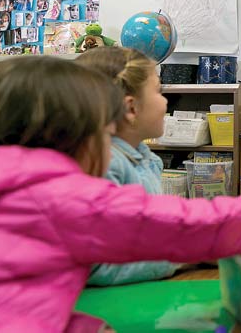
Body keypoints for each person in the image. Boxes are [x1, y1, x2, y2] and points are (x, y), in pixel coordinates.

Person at [0, 56, 241, 332]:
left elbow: (15, 295)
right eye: (104, 127)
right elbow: (185, 224)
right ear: (78, 135)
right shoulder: (57, 194)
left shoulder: (2, 179)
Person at [76, 46, 177, 286]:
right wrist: (182, 257)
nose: (165, 102)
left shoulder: (145, 158)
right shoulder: (103, 164)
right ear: (131, 108)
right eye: (159, 91)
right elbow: (97, 267)